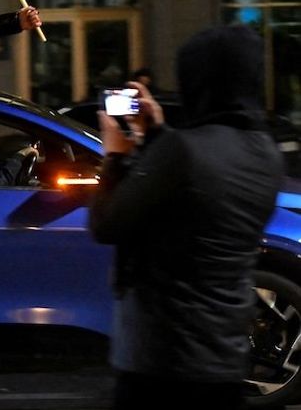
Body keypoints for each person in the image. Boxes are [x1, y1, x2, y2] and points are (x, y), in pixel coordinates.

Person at [88, 26, 284, 410]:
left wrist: (114, 156)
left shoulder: (182, 151)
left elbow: (106, 223)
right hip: (224, 355)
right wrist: (158, 132)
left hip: (161, 357)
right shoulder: (266, 153)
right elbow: (199, 200)